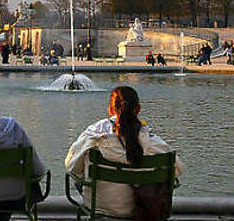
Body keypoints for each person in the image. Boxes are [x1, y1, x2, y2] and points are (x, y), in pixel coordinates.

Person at [65, 86, 183, 218]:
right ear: (138, 109)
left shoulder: (94, 134)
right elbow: (177, 170)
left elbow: (71, 166)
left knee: (79, 177)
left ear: (110, 109)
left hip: (100, 205)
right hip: (143, 206)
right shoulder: (152, 141)